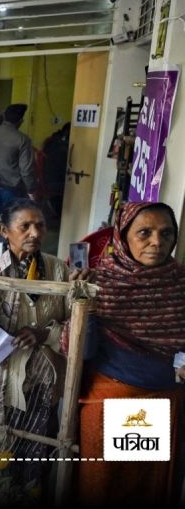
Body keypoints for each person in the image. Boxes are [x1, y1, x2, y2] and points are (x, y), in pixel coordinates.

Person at [0, 198, 88, 505]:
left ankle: (31, 491)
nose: (34, 233)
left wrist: (47, 331)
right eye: (24, 226)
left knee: (38, 443)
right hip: (1, 377)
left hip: (42, 380)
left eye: (39, 225)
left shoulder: (57, 268)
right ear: (4, 230)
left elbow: (73, 325)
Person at [77, 202, 185, 506]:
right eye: (144, 233)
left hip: (165, 400)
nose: (156, 242)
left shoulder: (180, 283)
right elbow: (79, 351)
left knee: (146, 487)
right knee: (107, 487)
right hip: (115, 398)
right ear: (123, 237)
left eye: (166, 233)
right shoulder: (100, 284)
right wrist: (81, 305)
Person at [0, 104, 38, 255]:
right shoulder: (23, 140)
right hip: (11, 189)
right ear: (20, 121)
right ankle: (1, 261)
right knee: (8, 226)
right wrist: (31, 190)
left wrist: (2, 114)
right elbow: (26, 169)